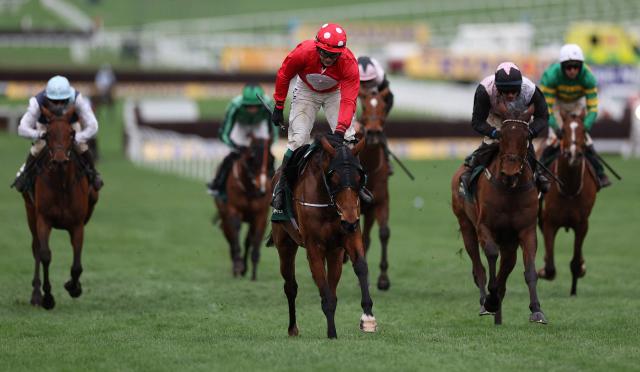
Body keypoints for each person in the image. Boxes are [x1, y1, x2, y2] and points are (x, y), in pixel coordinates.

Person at [270, 22, 367, 211]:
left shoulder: (349, 63)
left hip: (335, 93)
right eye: (324, 53)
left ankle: (358, 185)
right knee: (298, 140)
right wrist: (279, 105)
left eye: (333, 55)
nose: (328, 58)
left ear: (341, 53)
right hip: (306, 90)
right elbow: (284, 74)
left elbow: (348, 101)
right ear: (316, 47)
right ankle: (282, 186)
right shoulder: (303, 52)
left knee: (348, 139)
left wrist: (339, 130)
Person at [459, 62, 550, 193]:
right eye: (505, 91)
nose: (510, 95)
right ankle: (471, 170)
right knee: (491, 143)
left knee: (524, 144)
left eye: (514, 91)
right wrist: (495, 133)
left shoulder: (531, 90)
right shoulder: (485, 90)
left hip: (520, 118)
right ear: (497, 87)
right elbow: (477, 121)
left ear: (520, 86)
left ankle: (537, 174)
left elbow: (543, 116)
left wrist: (530, 132)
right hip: (496, 117)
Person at [12, 75, 103, 192]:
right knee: (38, 147)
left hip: (70, 125)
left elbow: (93, 125)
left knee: (81, 146)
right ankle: (24, 174)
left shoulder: (78, 99)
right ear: (47, 97)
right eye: (55, 101)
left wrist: (77, 137)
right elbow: (22, 128)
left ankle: (93, 174)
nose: (59, 105)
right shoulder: (36, 102)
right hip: (46, 126)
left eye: (63, 101)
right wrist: (39, 134)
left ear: (69, 96)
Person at [538, 43, 611, 188]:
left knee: (586, 141)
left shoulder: (588, 77)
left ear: (581, 66)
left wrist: (585, 126)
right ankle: (539, 171)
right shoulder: (550, 76)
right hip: (557, 105)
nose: (572, 70)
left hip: (577, 105)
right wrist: (555, 127)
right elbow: (547, 109)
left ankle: (600, 173)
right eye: (568, 67)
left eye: (576, 66)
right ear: (562, 66)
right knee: (554, 140)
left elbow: (593, 108)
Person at [206, 83, 276, 198]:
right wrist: (235, 146)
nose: (252, 109)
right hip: (241, 125)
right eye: (248, 106)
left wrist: (269, 145)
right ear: (244, 103)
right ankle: (217, 184)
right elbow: (224, 133)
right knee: (232, 156)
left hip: (259, 124)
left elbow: (274, 128)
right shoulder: (235, 105)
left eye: (256, 106)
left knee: (268, 156)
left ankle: (276, 187)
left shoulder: (268, 104)